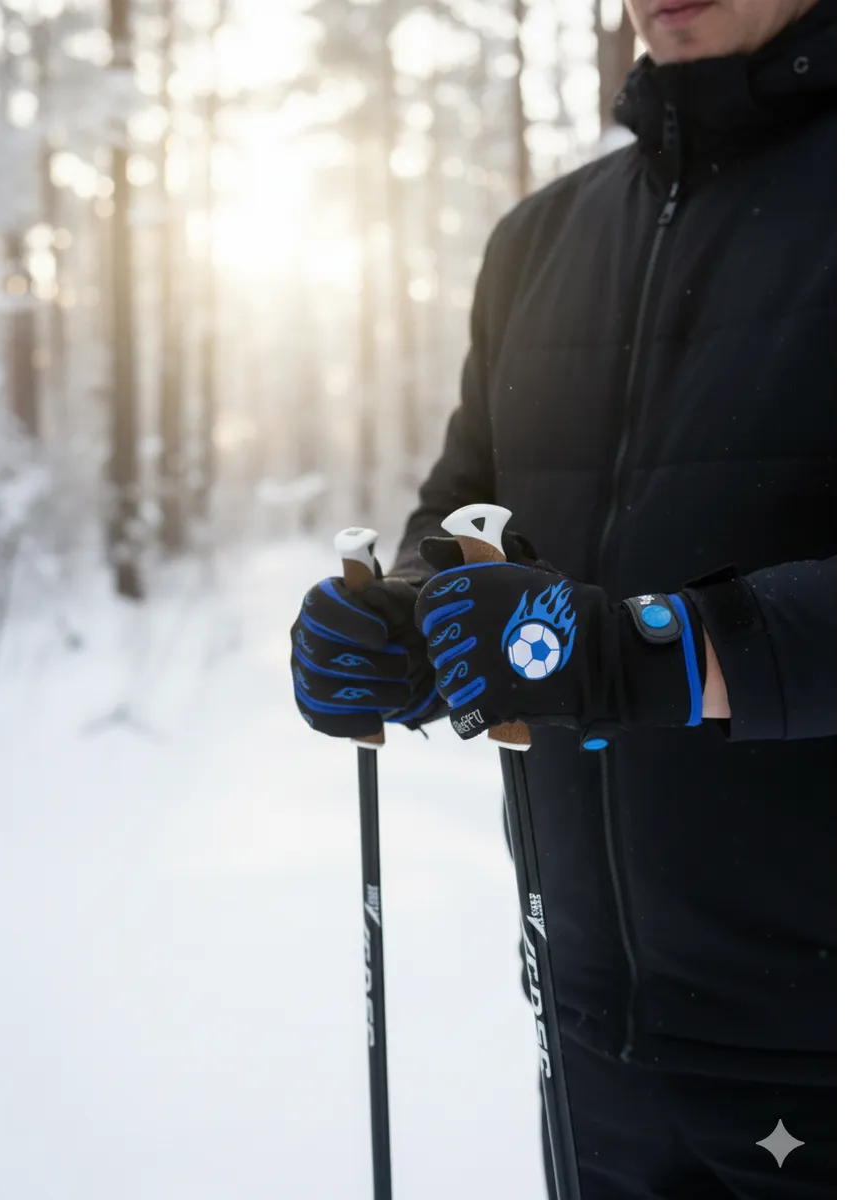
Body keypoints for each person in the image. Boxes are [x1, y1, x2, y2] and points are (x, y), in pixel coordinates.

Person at [290, 0, 835, 1194]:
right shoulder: (539, 240)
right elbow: (465, 516)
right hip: (590, 1030)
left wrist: (658, 651)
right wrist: (405, 628)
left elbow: (605, 650)